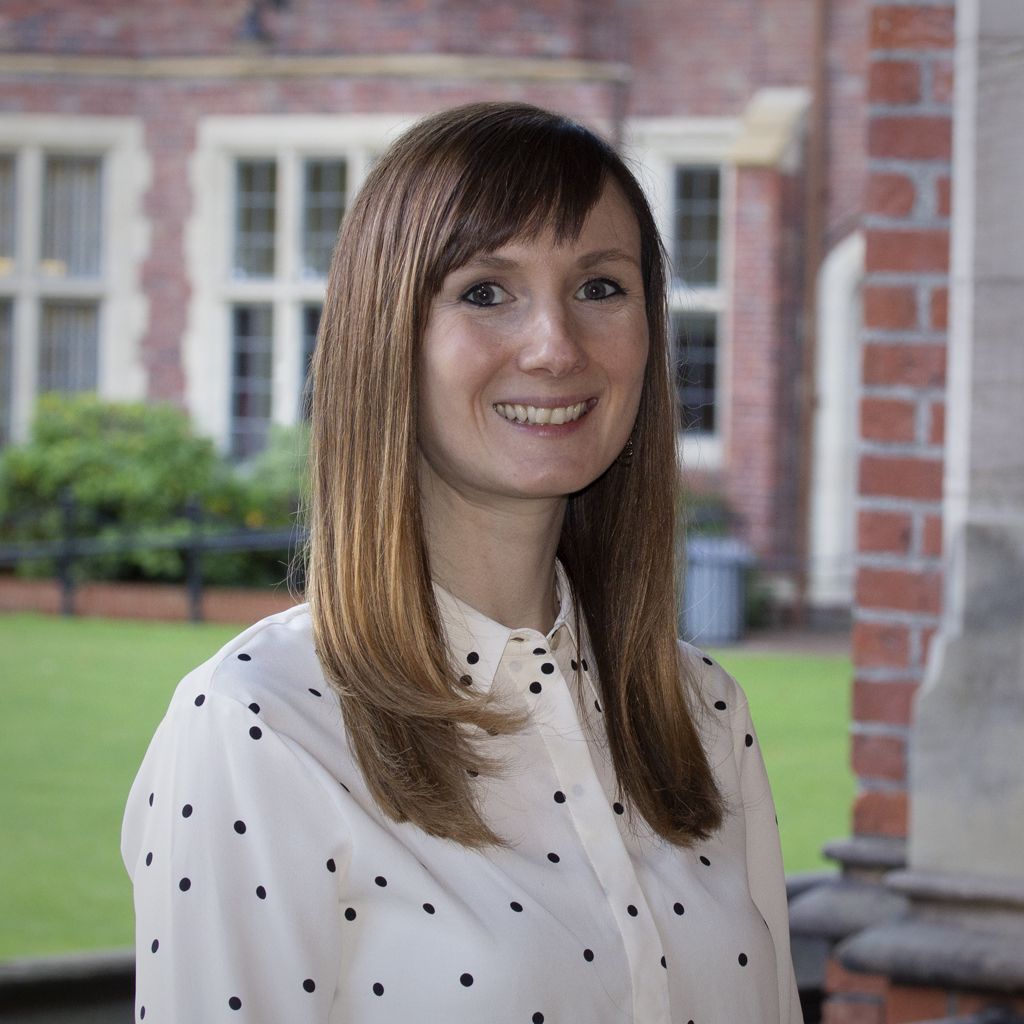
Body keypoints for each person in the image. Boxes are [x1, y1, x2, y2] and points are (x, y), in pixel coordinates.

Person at [122, 102, 803, 1024]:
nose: (555, 347)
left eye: (601, 286)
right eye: (486, 292)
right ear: (387, 336)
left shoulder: (705, 713)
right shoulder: (257, 727)